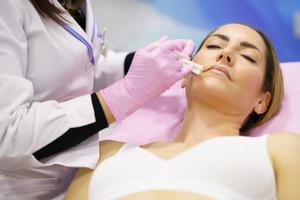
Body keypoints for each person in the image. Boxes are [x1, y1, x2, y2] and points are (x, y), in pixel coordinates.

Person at [65, 23, 300, 200]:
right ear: (185, 76)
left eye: (248, 57)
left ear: (262, 101)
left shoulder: (280, 149)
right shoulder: (107, 152)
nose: (225, 54)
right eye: (214, 45)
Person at [0, 0, 195, 199]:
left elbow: (80, 66)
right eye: (214, 45)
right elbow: (7, 132)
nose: (224, 55)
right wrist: (121, 96)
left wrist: (132, 64)